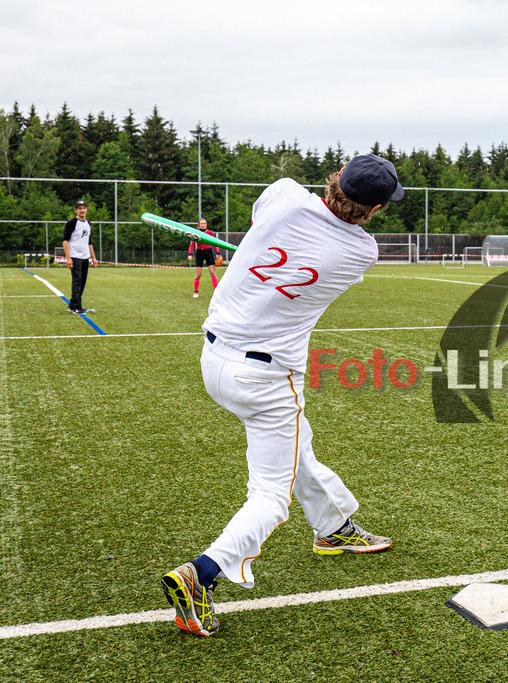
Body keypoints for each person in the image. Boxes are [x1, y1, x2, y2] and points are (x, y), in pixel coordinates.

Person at [161, 155, 404, 637]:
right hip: (267, 379)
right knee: (271, 494)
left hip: (214, 358)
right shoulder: (362, 250)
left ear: (337, 176)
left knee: (297, 448)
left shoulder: (286, 193)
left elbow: (268, 218)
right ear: (375, 208)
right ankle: (202, 573)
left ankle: (333, 527)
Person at [62, 200, 99, 314]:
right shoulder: (72, 223)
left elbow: (89, 242)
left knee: (82, 282)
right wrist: (68, 258)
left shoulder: (88, 223)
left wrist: (93, 257)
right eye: (80, 208)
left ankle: (72, 305)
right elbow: (65, 241)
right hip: (75, 256)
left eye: (84, 208)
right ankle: (77, 307)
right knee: (77, 281)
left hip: (85, 257)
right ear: (76, 210)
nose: (82, 210)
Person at [187, 218, 221, 297]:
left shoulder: (210, 233)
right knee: (198, 273)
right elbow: (192, 244)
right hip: (199, 253)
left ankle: (216, 291)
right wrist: (189, 254)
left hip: (208, 252)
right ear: (199, 225)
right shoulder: (196, 233)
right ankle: (195, 291)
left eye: (204, 223)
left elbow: (214, 243)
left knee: (212, 272)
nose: (203, 225)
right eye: (201, 223)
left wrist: (218, 253)